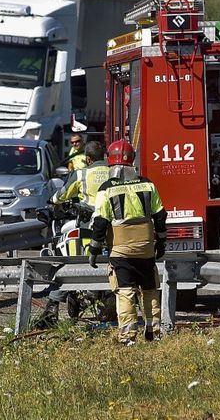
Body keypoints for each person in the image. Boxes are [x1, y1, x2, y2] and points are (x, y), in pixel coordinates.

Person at [88, 139, 167, 345]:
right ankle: (154, 332)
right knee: (150, 289)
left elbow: (100, 221)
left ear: (110, 163)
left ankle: (127, 336)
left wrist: (94, 249)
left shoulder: (107, 189)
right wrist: (161, 242)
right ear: (132, 161)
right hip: (145, 248)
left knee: (125, 291)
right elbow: (160, 215)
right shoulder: (148, 184)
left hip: (121, 250)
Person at [38, 141, 109, 327]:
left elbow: (62, 194)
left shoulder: (82, 173)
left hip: (88, 226)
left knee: (69, 265)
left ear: (88, 158)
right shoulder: (114, 172)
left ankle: (52, 308)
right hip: (113, 228)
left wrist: (52, 200)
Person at [50, 141, 109, 207]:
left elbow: (63, 194)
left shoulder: (80, 174)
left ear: (88, 159)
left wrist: (53, 199)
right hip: (111, 213)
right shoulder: (113, 170)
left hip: (89, 212)